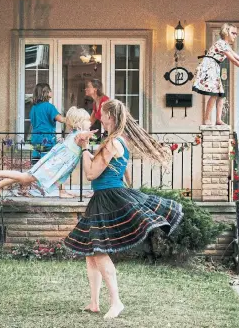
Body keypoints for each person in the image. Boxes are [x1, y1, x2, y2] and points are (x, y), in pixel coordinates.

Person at [64, 99, 184, 319]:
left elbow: (91, 174)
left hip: (107, 198)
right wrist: (87, 150)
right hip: (106, 196)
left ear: (110, 116)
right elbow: (121, 171)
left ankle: (116, 302)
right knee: (91, 253)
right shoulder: (120, 141)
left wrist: (83, 149)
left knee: (99, 251)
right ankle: (94, 302)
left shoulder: (112, 142)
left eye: (102, 113)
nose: (98, 116)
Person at [0, 107, 96, 199]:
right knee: (26, 178)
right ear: (79, 123)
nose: (90, 122)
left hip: (53, 164)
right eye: (87, 120)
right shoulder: (79, 135)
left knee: (28, 177)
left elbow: (84, 152)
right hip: (53, 165)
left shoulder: (74, 134)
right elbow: (82, 136)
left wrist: (94, 157)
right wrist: (90, 133)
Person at [192, 23, 239, 126]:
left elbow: (237, 56)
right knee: (215, 94)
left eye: (236, 33)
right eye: (233, 33)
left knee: (220, 95)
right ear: (226, 33)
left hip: (214, 68)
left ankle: (218, 119)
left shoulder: (226, 45)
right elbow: (233, 60)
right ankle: (207, 119)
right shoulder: (221, 43)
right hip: (210, 68)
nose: (235, 35)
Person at [30, 83, 65, 162]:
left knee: (35, 165)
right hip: (47, 140)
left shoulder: (33, 108)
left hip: (35, 140)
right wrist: (73, 119)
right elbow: (61, 119)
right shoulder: (49, 106)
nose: (51, 92)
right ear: (46, 92)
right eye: (50, 90)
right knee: (47, 166)